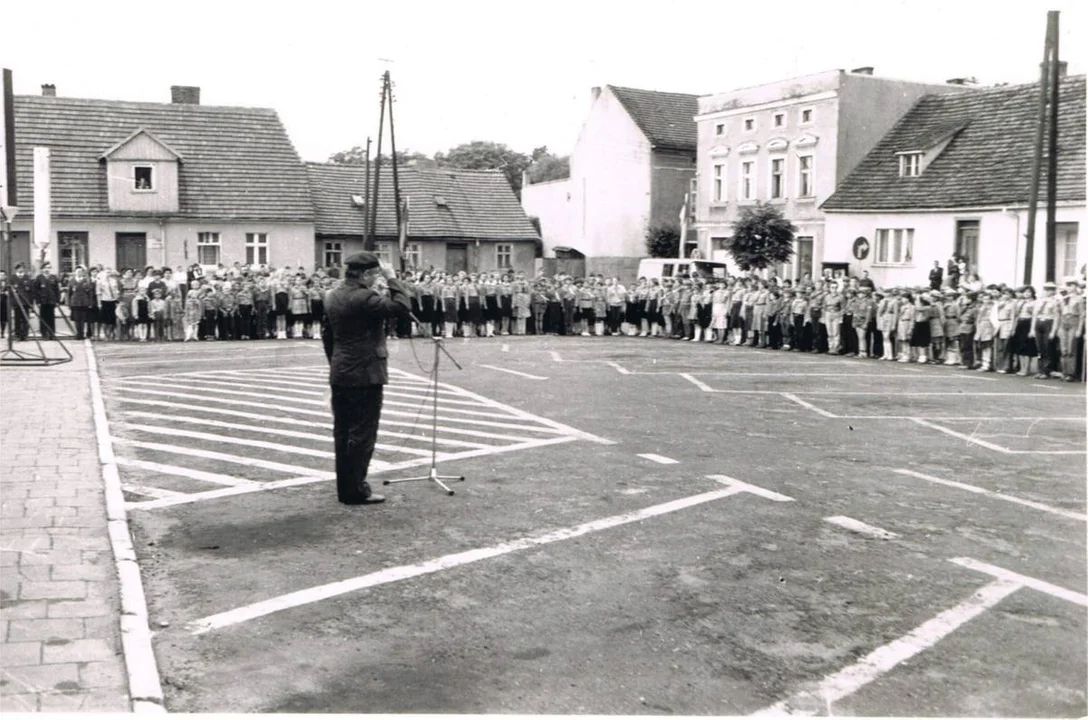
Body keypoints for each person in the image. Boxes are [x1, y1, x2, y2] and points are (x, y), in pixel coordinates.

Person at [321, 252, 412, 505]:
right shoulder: (365, 297)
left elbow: (327, 336)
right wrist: (393, 280)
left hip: (341, 371)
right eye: (374, 275)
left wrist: (337, 364)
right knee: (362, 434)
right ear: (365, 275)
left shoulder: (331, 296)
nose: (376, 279)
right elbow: (402, 308)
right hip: (366, 374)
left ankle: (345, 489)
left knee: (342, 432)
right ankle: (356, 490)